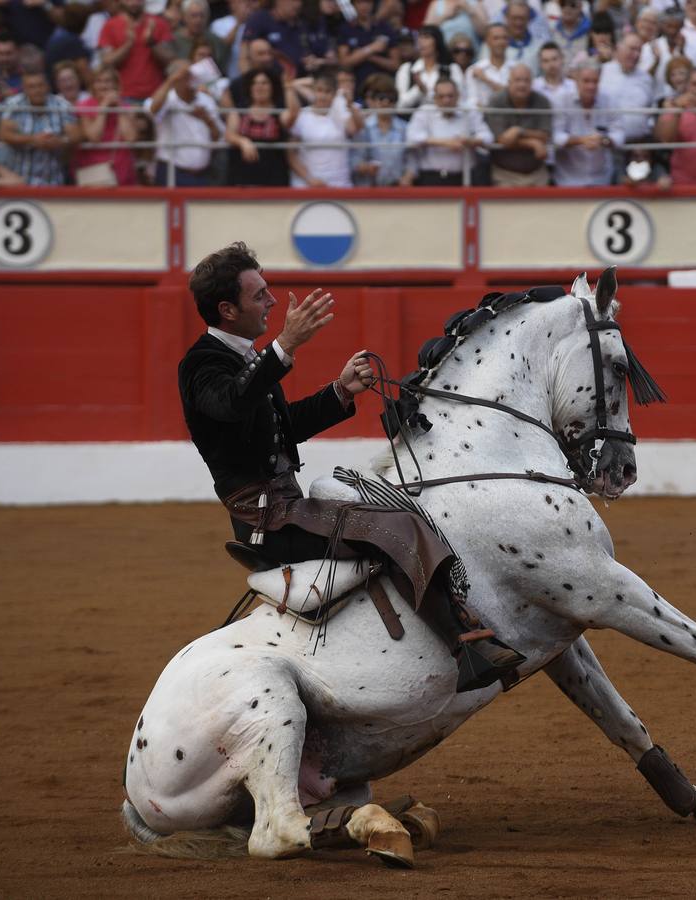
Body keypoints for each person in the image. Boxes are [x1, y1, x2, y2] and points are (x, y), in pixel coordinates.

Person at [180, 242, 525, 693]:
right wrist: (283, 347)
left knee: (403, 508)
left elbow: (287, 427)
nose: (270, 301)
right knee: (397, 527)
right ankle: (466, 649)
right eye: (259, 294)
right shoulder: (202, 364)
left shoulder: (247, 355)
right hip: (264, 518)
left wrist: (340, 392)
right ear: (227, 309)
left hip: (286, 505)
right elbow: (230, 404)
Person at [0, 69, 81, 186]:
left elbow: (75, 135)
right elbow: (4, 134)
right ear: (24, 89)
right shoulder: (13, 104)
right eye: (31, 87)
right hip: (19, 182)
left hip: (53, 182)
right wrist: (33, 140)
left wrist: (60, 141)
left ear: (47, 86)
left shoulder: (62, 105)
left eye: (40, 85)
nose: (37, 90)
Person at [405, 75, 492, 184]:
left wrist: (469, 141)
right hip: (431, 177)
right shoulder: (425, 112)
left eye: (450, 96)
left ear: (458, 96)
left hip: (464, 178)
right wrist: (445, 142)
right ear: (434, 98)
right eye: (441, 96)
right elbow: (411, 138)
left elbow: (488, 137)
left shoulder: (469, 111)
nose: (446, 101)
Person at [150, 59, 222, 185]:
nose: (192, 78)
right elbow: (153, 110)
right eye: (186, 75)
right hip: (172, 172)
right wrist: (170, 81)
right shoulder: (168, 99)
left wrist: (207, 120)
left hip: (203, 174)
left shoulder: (207, 100)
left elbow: (217, 137)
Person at [289, 69, 363, 187]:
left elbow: (355, 129)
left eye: (327, 91)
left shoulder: (342, 113)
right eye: (319, 90)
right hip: (307, 185)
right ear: (312, 91)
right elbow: (291, 154)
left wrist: (349, 105)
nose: (322, 96)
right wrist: (309, 178)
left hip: (340, 184)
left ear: (334, 94)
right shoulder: (301, 115)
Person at [552, 59, 620, 185]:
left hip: (602, 179)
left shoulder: (609, 100)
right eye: (586, 81)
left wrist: (603, 140)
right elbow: (555, 136)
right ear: (576, 80)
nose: (591, 86)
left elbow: (619, 135)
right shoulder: (561, 99)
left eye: (595, 81)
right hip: (568, 180)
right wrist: (581, 140)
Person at [484, 62, 551, 185]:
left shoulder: (542, 101)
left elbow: (545, 136)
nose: (522, 85)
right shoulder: (496, 101)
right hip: (505, 175)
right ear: (509, 83)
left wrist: (520, 131)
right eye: (518, 80)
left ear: (532, 83)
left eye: (526, 80)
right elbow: (502, 139)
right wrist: (532, 143)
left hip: (537, 173)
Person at [225, 67, 293, 185]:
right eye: (255, 83)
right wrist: (243, 141)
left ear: (272, 87)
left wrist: (288, 88)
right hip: (242, 178)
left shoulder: (279, 111)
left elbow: (293, 115)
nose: (259, 87)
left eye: (264, 83)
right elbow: (229, 135)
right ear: (250, 87)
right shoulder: (239, 110)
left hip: (274, 179)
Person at [99, 0, 175, 102]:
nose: (134, 2)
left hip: (156, 95)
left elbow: (169, 60)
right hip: (124, 95)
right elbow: (107, 62)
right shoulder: (109, 26)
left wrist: (152, 43)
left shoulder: (159, 23)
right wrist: (127, 45)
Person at [75, 65, 138, 186]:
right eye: (98, 81)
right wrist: (104, 107)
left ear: (116, 85)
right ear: (93, 85)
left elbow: (131, 138)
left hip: (123, 170)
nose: (103, 85)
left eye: (108, 81)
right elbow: (94, 136)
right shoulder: (84, 105)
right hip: (94, 171)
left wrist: (118, 107)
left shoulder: (126, 107)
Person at [352, 72, 413, 185]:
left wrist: (407, 177)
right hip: (369, 191)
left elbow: (412, 160)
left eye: (391, 98)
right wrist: (366, 168)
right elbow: (354, 160)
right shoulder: (364, 127)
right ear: (373, 101)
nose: (386, 102)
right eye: (381, 98)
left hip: (398, 191)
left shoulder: (405, 128)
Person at [396, 24, 464, 109]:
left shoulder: (451, 69)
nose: (421, 42)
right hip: (414, 120)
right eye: (419, 37)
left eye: (426, 37)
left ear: (437, 41)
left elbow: (460, 101)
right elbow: (400, 105)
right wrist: (418, 89)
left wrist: (426, 91)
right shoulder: (406, 69)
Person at [466, 22, 513, 109]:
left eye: (504, 38)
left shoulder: (516, 69)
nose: (501, 42)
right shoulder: (474, 69)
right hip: (482, 120)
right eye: (496, 38)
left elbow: (514, 98)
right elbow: (473, 102)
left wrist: (486, 80)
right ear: (487, 41)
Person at [533, 41, 575, 109]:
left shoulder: (574, 87)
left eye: (554, 59)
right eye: (546, 61)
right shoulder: (534, 87)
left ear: (562, 59)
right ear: (540, 64)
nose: (551, 64)